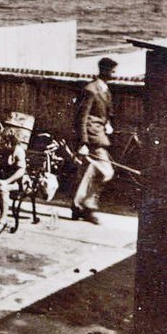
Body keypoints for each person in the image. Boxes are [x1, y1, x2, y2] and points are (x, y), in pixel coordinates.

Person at [71, 57, 117, 224]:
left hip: (100, 133)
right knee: (106, 172)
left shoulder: (104, 89)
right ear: (104, 70)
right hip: (92, 136)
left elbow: (104, 113)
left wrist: (108, 124)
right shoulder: (91, 89)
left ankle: (78, 207)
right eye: (112, 71)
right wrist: (83, 141)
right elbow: (81, 117)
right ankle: (87, 206)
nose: (115, 74)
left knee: (89, 172)